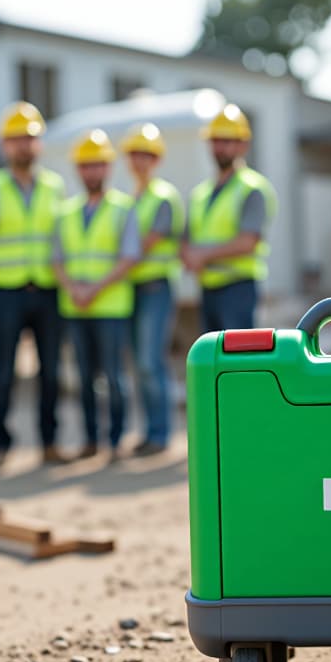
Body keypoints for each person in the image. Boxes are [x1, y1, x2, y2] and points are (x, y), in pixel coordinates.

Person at [0, 102, 66, 466]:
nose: (23, 146)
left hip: (47, 291)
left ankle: (50, 442)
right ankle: (0, 443)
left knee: (51, 370)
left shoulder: (56, 188)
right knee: (4, 372)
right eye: (16, 140)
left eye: (29, 139)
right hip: (9, 292)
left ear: (39, 143)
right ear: (3, 145)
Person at [54, 129, 140, 460]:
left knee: (114, 378)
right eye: (86, 165)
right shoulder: (66, 212)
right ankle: (91, 440)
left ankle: (116, 440)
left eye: (98, 165)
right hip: (76, 308)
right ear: (78, 169)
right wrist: (75, 289)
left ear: (108, 168)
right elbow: (57, 259)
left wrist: (93, 289)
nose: (92, 171)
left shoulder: (123, 208)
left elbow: (129, 257)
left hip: (111, 307)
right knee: (84, 378)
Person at [181, 104, 277, 332]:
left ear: (243, 145)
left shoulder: (253, 188)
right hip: (207, 288)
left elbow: (248, 241)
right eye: (216, 141)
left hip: (238, 288)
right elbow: (185, 238)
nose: (220, 148)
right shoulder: (201, 194)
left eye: (227, 141)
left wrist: (201, 255)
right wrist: (188, 254)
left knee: (239, 361)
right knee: (214, 360)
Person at [120, 123, 184, 457]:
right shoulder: (133, 199)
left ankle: (160, 434)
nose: (139, 161)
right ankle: (150, 432)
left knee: (150, 362)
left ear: (155, 160)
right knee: (139, 364)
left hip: (156, 288)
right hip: (134, 289)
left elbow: (141, 246)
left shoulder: (163, 198)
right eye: (134, 155)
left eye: (145, 155)